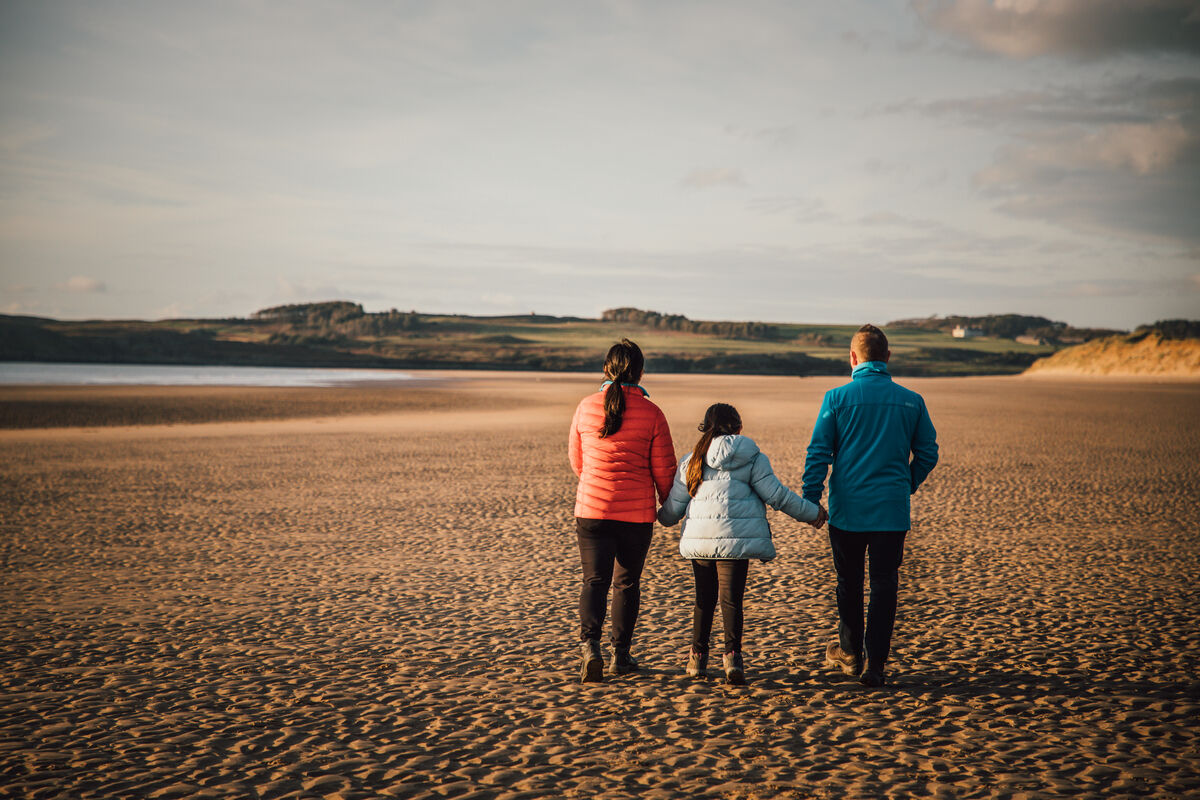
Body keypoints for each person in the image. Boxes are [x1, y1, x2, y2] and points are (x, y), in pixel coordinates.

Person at [802, 324, 939, 688]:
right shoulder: (911, 400)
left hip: (847, 510)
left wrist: (810, 498)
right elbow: (928, 452)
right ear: (887, 357)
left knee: (848, 582)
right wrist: (906, 483)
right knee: (884, 585)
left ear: (853, 358)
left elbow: (819, 452)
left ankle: (850, 654)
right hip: (891, 512)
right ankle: (875, 663)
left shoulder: (836, 398)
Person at [658, 403, 826, 685]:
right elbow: (779, 497)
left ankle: (697, 659)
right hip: (736, 540)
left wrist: (657, 518)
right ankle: (732, 659)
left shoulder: (692, 460)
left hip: (701, 541)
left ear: (706, 427)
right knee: (731, 600)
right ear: (738, 428)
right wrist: (812, 514)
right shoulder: (752, 458)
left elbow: (673, 508)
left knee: (704, 600)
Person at [568, 338, 676, 683]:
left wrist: (597, 485)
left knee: (594, 581)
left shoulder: (585, 407)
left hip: (592, 510)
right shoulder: (653, 413)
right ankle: (621, 655)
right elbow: (665, 471)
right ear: (641, 373)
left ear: (605, 370)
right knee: (626, 584)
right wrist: (667, 505)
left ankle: (590, 649)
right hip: (636, 515)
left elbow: (577, 462)